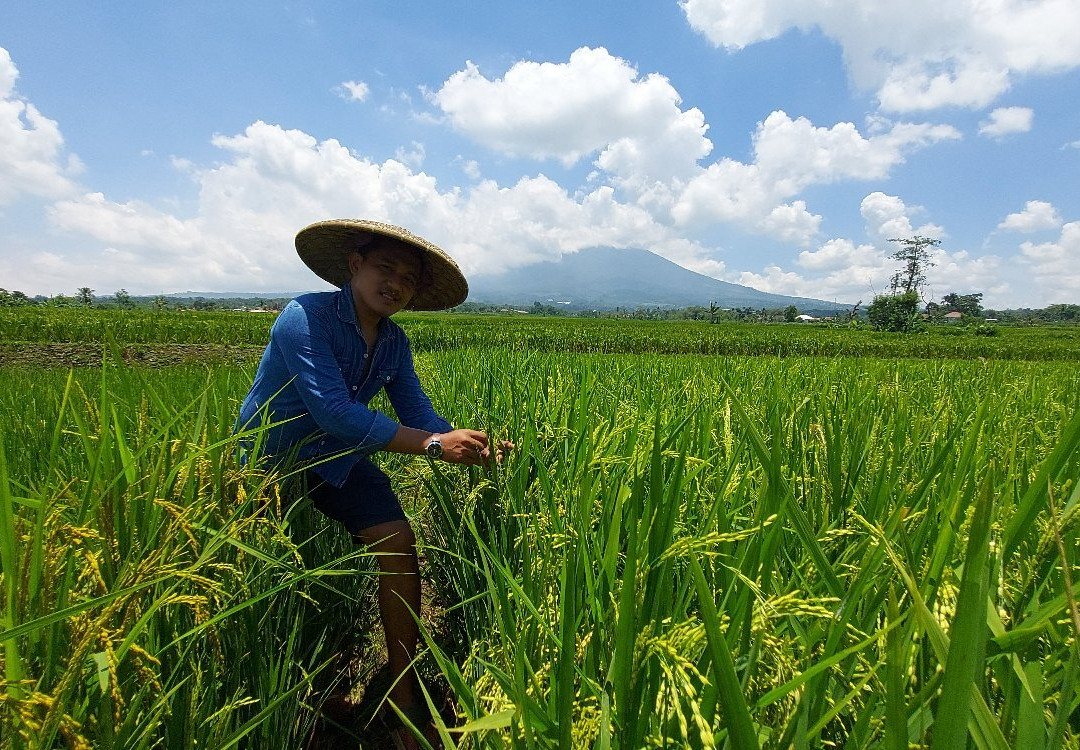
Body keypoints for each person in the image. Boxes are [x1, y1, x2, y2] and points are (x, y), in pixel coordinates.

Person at [237, 219, 512, 749]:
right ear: (356, 265)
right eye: (387, 267)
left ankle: (402, 697)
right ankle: (293, 697)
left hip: (337, 459)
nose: (396, 283)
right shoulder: (305, 318)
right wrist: (434, 447)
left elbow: (416, 410)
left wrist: (468, 445)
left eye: (408, 278)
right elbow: (337, 412)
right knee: (271, 571)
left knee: (398, 540)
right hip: (272, 459)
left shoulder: (393, 342)